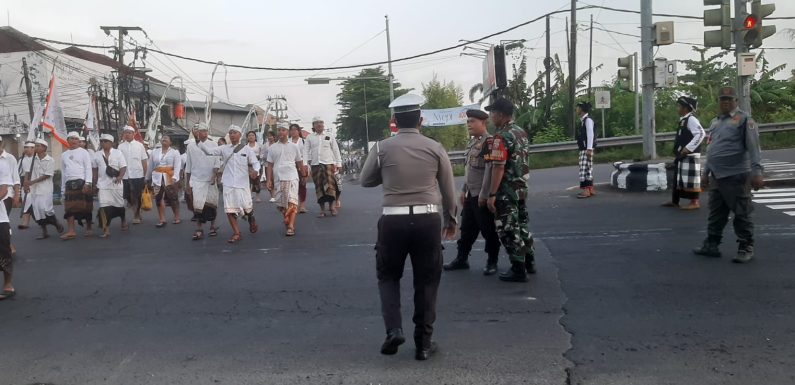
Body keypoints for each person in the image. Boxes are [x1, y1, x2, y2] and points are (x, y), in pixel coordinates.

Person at [360, 93, 458, 361]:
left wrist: (388, 173)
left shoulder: (381, 147)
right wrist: (451, 219)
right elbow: (449, 190)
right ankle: (424, 344)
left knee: (388, 276)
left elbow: (365, 180)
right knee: (427, 280)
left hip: (393, 220)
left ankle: (394, 330)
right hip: (428, 220)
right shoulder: (435, 147)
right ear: (421, 120)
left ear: (394, 121)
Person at [693, 86, 764, 264]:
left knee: (742, 213)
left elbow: (754, 148)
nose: (725, 102)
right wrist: (705, 173)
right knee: (716, 213)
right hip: (717, 175)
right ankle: (712, 244)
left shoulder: (745, 120)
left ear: (736, 102)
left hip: (737, 175)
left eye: (729, 99)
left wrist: (757, 173)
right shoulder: (715, 122)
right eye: (722, 99)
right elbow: (711, 150)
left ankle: (745, 247)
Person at [444, 109, 502, 275]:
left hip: (481, 195)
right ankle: (462, 259)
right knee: (467, 229)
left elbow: (490, 171)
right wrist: (464, 190)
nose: (469, 124)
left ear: (484, 123)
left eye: (472, 121)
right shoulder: (472, 143)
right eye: (468, 121)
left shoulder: (489, 142)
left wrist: (484, 195)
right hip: (471, 194)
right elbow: (469, 170)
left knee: (488, 230)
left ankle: (492, 261)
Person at [483, 97, 535, 282]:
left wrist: (492, 194)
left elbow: (498, 166)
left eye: (492, 113)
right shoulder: (520, 132)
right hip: (521, 188)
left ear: (501, 114)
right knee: (522, 225)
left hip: (507, 190)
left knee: (508, 228)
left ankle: (518, 267)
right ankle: (529, 261)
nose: (490, 116)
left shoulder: (501, 136)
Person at [199, 125, 260, 243]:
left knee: (247, 208)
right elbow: (208, 152)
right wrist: (200, 141)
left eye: (234, 133)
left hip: (242, 184)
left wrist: (256, 171)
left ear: (240, 135)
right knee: (230, 209)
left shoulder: (247, 149)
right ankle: (237, 233)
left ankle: (251, 218)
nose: (232, 135)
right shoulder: (224, 148)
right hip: (228, 183)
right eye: (230, 133)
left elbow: (255, 163)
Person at [662, 96, 706, 210]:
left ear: (686, 108)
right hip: (682, 155)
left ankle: (695, 202)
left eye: (679, 106)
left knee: (691, 179)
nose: (678, 108)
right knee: (679, 178)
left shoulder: (691, 119)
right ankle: (675, 201)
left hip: (690, 155)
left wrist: (688, 148)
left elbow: (701, 134)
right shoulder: (684, 120)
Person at [266, 123, 305, 236]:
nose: (281, 132)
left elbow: (299, 162)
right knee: (282, 203)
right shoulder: (272, 148)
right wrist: (269, 179)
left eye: (283, 130)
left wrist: (303, 175)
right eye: (279, 130)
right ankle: (287, 218)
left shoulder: (294, 146)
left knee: (292, 201)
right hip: (278, 178)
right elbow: (269, 165)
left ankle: (291, 226)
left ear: (287, 132)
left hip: (292, 176)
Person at [185, 123, 221, 240]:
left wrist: (214, 175)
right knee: (198, 205)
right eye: (201, 131)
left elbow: (217, 162)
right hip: (196, 180)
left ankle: (212, 226)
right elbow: (188, 166)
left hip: (210, 179)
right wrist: (187, 184)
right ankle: (199, 228)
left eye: (206, 131)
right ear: (196, 133)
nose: (204, 133)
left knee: (212, 204)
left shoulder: (213, 144)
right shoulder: (190, 146)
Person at [23, 139, 63, 239]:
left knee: (46, 209)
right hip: (34, 189)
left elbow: (47, 175)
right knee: (37, 211)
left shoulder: (50, 160)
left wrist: (32, 182)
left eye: (38, 146)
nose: (35, 148)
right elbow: (27, 172)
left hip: (45, 189)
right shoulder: (32, 159)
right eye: (35, 146)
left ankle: (55, 223)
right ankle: (44, 230)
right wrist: (26, 184)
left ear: (44, 148)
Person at [303, 116, 342, 217]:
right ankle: (322, 210)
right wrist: (304, 165)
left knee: (330, 186)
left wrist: (339, 163)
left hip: (328, 164)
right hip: (315, 165)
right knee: (319, 187)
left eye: (321, 122)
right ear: (314, 126)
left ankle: (332, 207)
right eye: (317, 123)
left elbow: (336, 150)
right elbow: (305, 151)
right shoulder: (310, 137)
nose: (319, 124)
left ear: (323, 125)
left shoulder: (329, 136)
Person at [60, 131, 94, 240]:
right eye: (72, 139)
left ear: (79, 141)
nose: (74, 141)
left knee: (86, 207)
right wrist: (62, 189)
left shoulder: (84, 152)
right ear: (68, 141)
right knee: (69, 209)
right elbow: (63, 172)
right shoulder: (64, 155)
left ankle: (88, 227)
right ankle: (71, 231)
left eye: (76, 139)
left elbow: (88, 168)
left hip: (83, 182)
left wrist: (88, 183)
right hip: (69, 183)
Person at [93, 134, 128, 238]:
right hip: (103, 185)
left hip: (116, 184)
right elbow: (95, 171)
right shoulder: (97, 154)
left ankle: (123, 219)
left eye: (106, 141)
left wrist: (120, 176)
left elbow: (123, 167)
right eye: (102, 141)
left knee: (119, 206)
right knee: (104, 207)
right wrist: (94, 184)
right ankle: (106, 229)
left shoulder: (118, 153)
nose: (103, 143)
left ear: (111, 143)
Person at [147, 135, 182, 227]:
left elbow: (178, 166)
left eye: (167, 138)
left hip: (170, 176)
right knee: (158, 198)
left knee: (173, 198)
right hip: (157, 177)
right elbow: (150, 166)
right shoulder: (154, 152)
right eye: (163, 138)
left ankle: (177, 216)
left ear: (170, 142)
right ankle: (162, 219)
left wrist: (175, 176)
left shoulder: (175, 152)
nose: (164, 139)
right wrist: (147, 178)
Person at [118, 125, 149, 224]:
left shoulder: (139, 145)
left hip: (137, 174)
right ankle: (136, 211)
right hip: (125, 175)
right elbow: (118, 161)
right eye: (125, 132)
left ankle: (136, 215)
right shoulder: (120, 146)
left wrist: (145, 176)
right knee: (127, 196)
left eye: (129, 133)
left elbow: (144, 161)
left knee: (137, 195)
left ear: (133, 134)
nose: (127, 134)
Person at [0, 155, 15, 300]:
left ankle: (8, 284)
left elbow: (4, 191)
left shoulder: (2, 165)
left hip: (0, 218)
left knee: (4, 251)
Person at [575, 101, 596, 198]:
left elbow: (590, 134)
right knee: (588, 168)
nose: (577, 109)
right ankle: (590, 188)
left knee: (583, 169)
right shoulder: (583, 120)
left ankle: (586, 190)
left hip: (586, 149)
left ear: (582, 109)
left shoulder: (587, 120)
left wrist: (589, 149)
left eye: (578, 107)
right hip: (586, 148)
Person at [289, 123, 308, 213]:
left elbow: (306, 154)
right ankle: (293, 205)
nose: (293, 131)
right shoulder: (287, 141)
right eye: (291, 130)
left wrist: (305, 166)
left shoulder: (303, 141)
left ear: (298, 131)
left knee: (302, 185)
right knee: (291, 186)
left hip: (301, 165)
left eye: (295, 129)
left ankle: (302, 205)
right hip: (290, 165)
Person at [16, 142, 35, 230]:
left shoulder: (37, 158)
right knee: (26, 202)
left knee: (40, 205)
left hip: (36, 183)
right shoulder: (22, 159)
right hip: (25, 183)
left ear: (33, 148)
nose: (26, 149)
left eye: (28, 147)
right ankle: (25, 222)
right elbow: (18, 172)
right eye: (25, 147)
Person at [246, 131, 264, 202]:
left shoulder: (259, 145)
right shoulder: (245, 146)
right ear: (247, 137)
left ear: (255, 137)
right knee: (249, 181)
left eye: (252, 135)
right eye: (249, 135)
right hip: (249, 166)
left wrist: (258, 157)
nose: (251, 137)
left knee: (256, 181)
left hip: (257, 165)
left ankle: (257, 196)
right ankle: (249, 195)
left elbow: (262, 154)